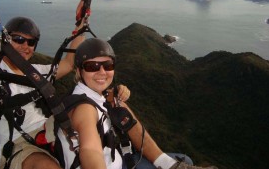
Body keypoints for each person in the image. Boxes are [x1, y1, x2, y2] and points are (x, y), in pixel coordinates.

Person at [0, 17, 130, 169]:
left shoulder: (36, 72)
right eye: (19, 39)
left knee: (103, 107)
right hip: (17, 143)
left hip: (47, 128)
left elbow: (68, 64)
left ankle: (150, 158)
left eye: (31, 42)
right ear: (5, 41)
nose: (25, 46)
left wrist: (81, 25)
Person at [58, 38, 217, 169]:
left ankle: (166, 163)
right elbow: (90, 150)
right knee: (186, 160)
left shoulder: (96, 96)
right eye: (92, 66)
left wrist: (116, 94)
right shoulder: (84, 109)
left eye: (108, 65)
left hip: (120, 162)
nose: (102, 72)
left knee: (185, 160)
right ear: (79, 71)